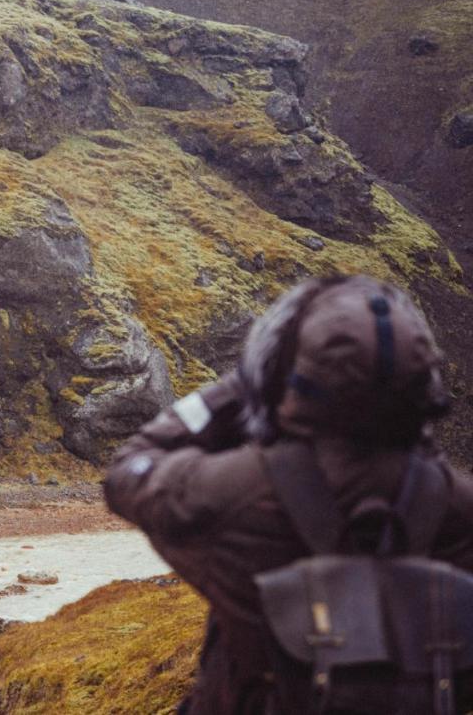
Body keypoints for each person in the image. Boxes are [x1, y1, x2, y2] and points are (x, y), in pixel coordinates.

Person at [104, 274, 473, 714]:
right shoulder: (458, 506)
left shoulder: (233, 491)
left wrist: (237, 387)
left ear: (286, 372)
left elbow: (129, 470)